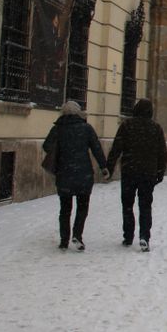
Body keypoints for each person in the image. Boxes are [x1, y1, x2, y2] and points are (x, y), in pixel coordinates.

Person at [43, 101, 108, 251]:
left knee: (65, 209)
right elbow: (96, 148)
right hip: (83, 174)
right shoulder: (86, 129)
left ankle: (64, 240)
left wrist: (60, 150)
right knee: (82, 207)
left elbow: (47, 146)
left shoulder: (58, 129)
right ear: (78, 113)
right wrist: (104, 167)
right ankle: (77, 235)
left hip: (64, 173)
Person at [107, 98, 167, 252]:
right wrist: (160, 172)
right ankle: (144, 237)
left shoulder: (127, 125)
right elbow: (162, 153)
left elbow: (116, 148)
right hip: (148, 173)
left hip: (129, 171)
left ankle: (128, 235)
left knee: (127, 204)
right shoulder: (156, 128)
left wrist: (109, 166)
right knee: (145, 206)